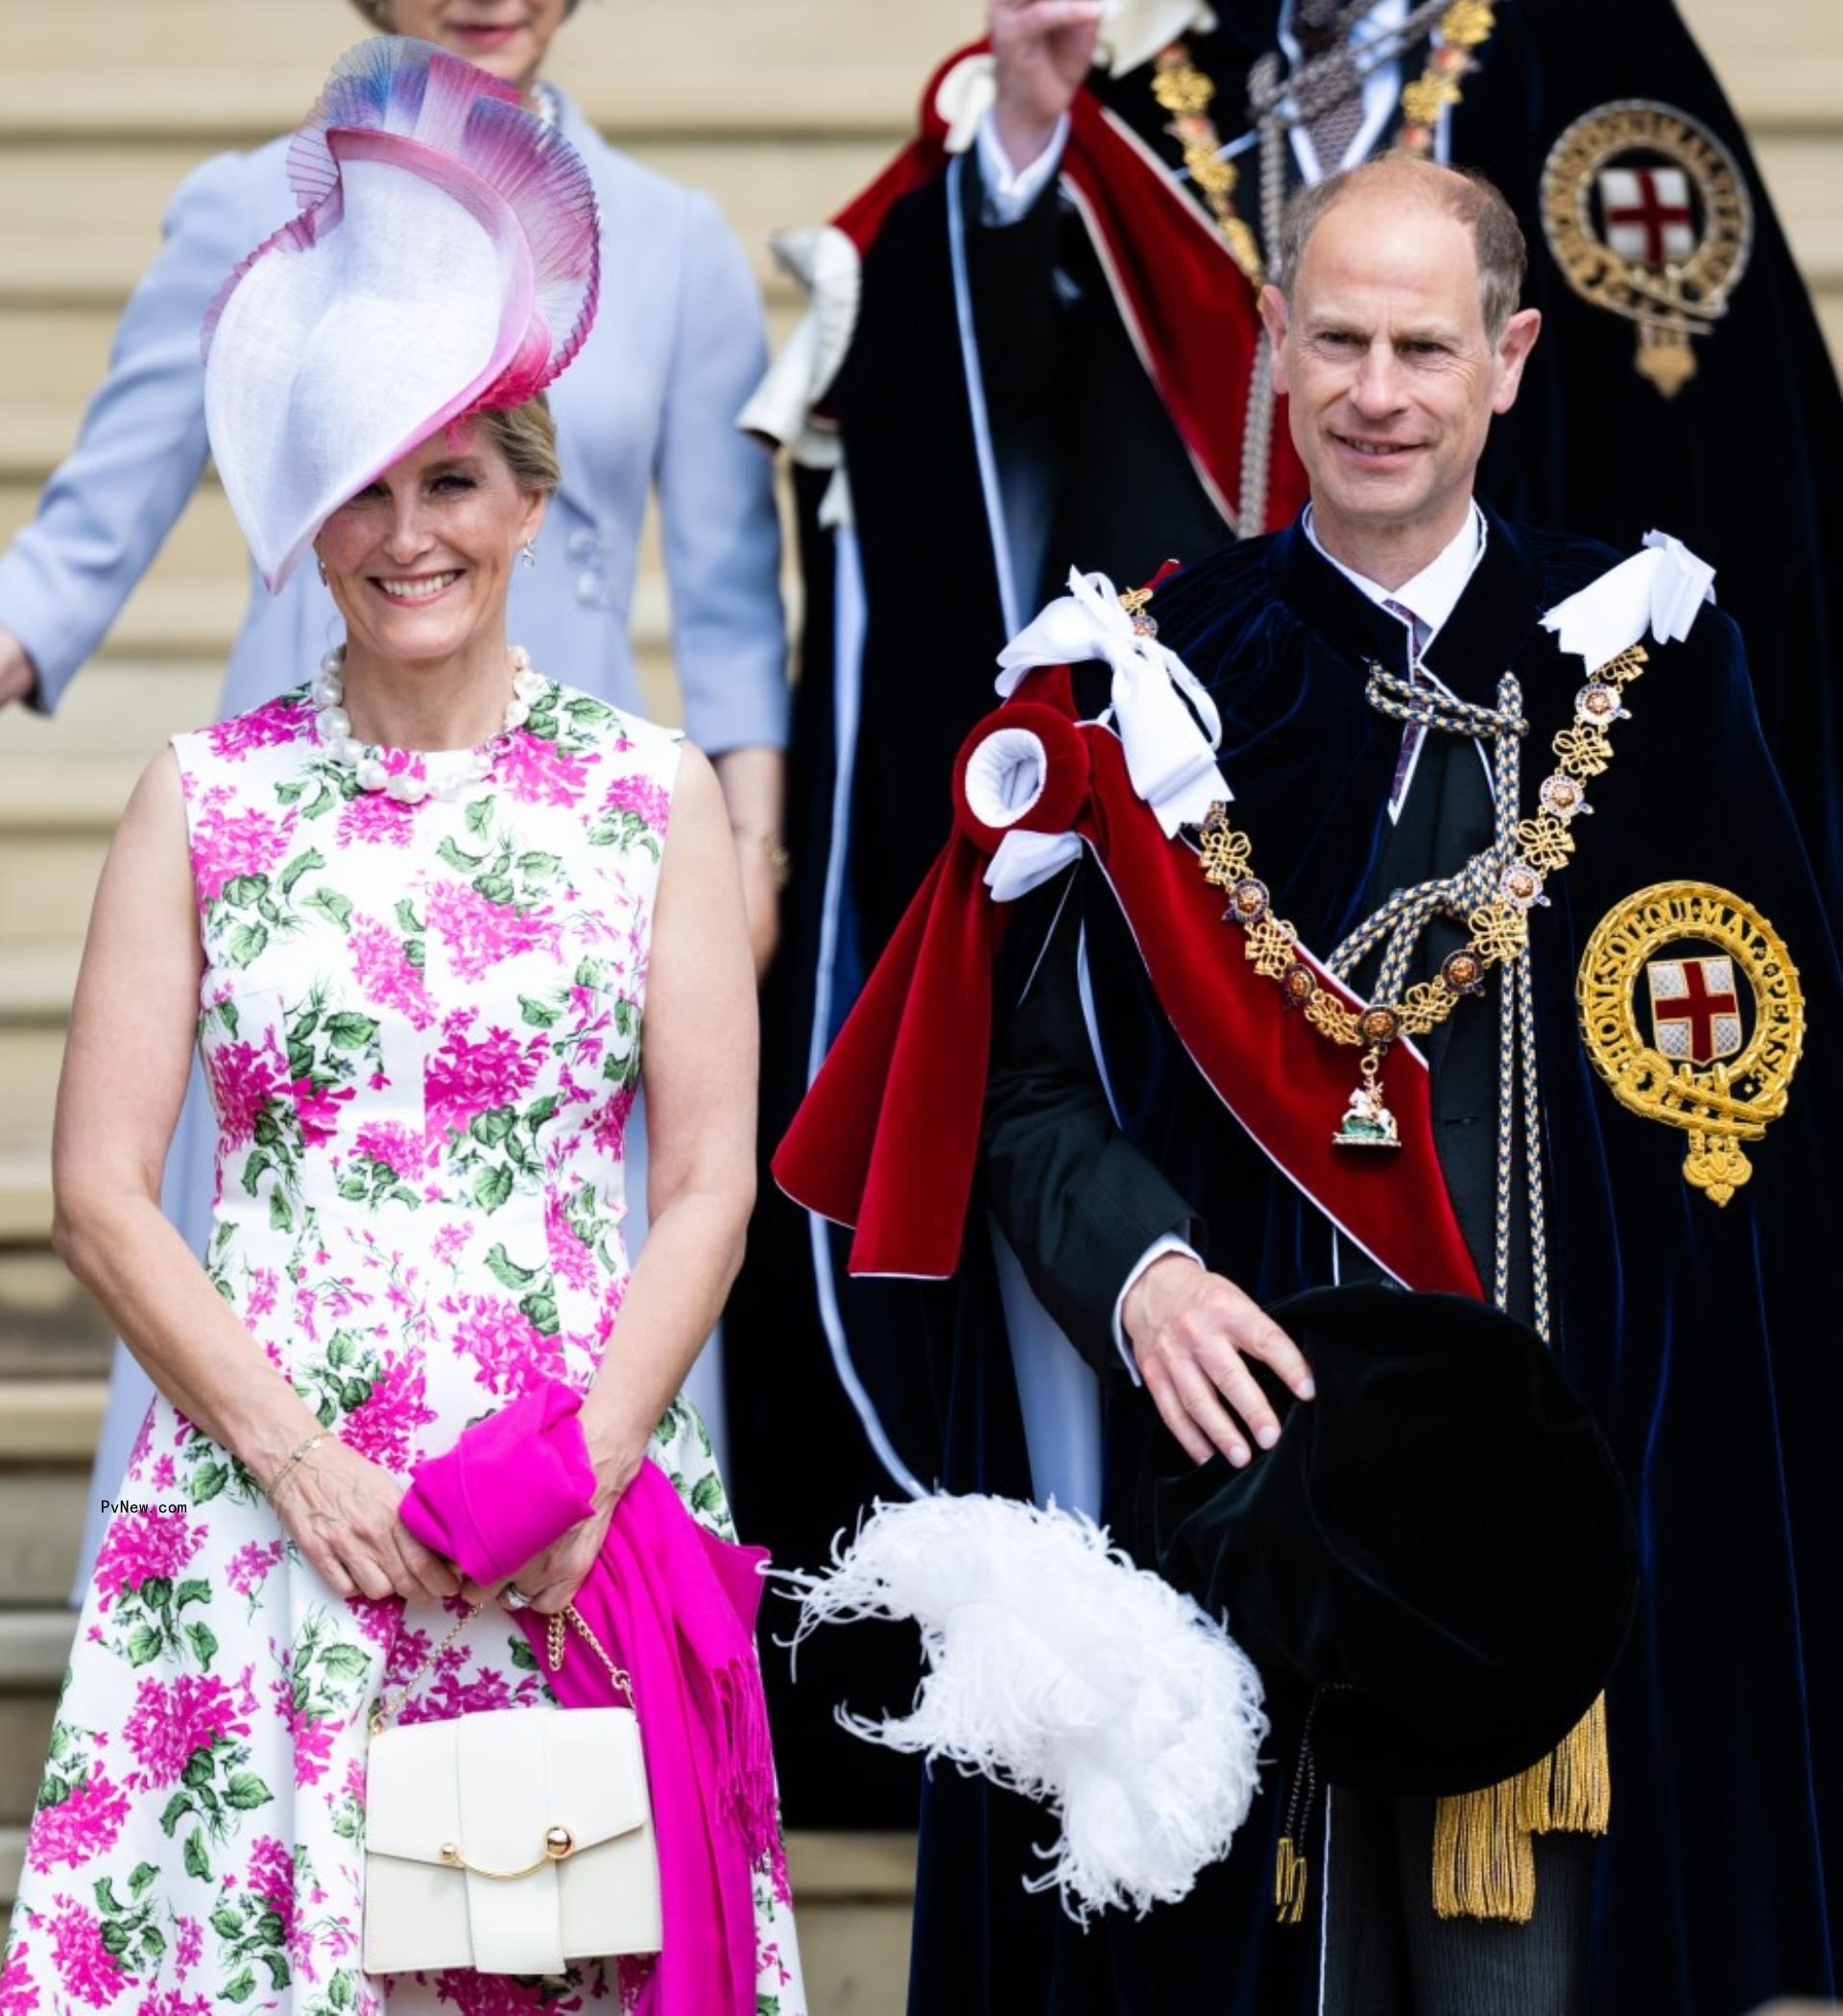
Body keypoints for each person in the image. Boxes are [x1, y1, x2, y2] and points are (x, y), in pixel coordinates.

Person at [724, 0, 1843, 1821]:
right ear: (1280, 346)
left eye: (1426, 345)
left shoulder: (1642, 661)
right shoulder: (1130, 689)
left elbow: (1739, 1058)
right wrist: (1148, 1273)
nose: (1378, 389)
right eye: (1339, 340)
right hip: (1222, 1503)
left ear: (1507, 358)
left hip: (1544, 1507)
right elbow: (1014, 1091)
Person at [0, 41, 805, 2015]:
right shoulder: (205, 799)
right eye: (360, 488)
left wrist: (594, 1464)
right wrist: (294, 1464)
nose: (407, 532)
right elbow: (101, 1194)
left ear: (531, 500)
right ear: (307, 524)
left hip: (557, 1522)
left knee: (523, 1982)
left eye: (453, 478)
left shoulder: (649, 802)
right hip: (268, 1523)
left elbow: (709, 1181)